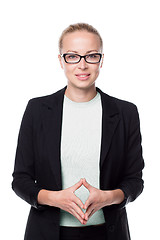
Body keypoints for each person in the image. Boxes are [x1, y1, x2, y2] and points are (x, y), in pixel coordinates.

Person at [12, 23, 144, 240]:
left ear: (101, 60)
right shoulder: (37, 110)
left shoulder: (125, 113)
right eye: (72, 56)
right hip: (47, 233)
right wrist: (55, 199)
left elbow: (134, 180)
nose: (82, 65)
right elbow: (20, 180)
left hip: (108, 234)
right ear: (60, 61)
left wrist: (108, 197)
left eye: (91, 56)